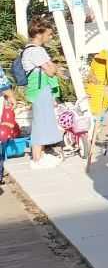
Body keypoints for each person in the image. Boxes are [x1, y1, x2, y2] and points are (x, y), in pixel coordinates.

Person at [20, 16, 63, 168]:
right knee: (40, 123)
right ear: (39, 33)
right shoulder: (36, 51)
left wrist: (52, 67)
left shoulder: (30, 50)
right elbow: (51, 71)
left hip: (38, 89)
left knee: (43, 121)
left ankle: (40, 155)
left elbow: (50, 69)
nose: (50, 37)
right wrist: (54, 68)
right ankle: (37, 159)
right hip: (40, 89)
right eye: (49, 34)